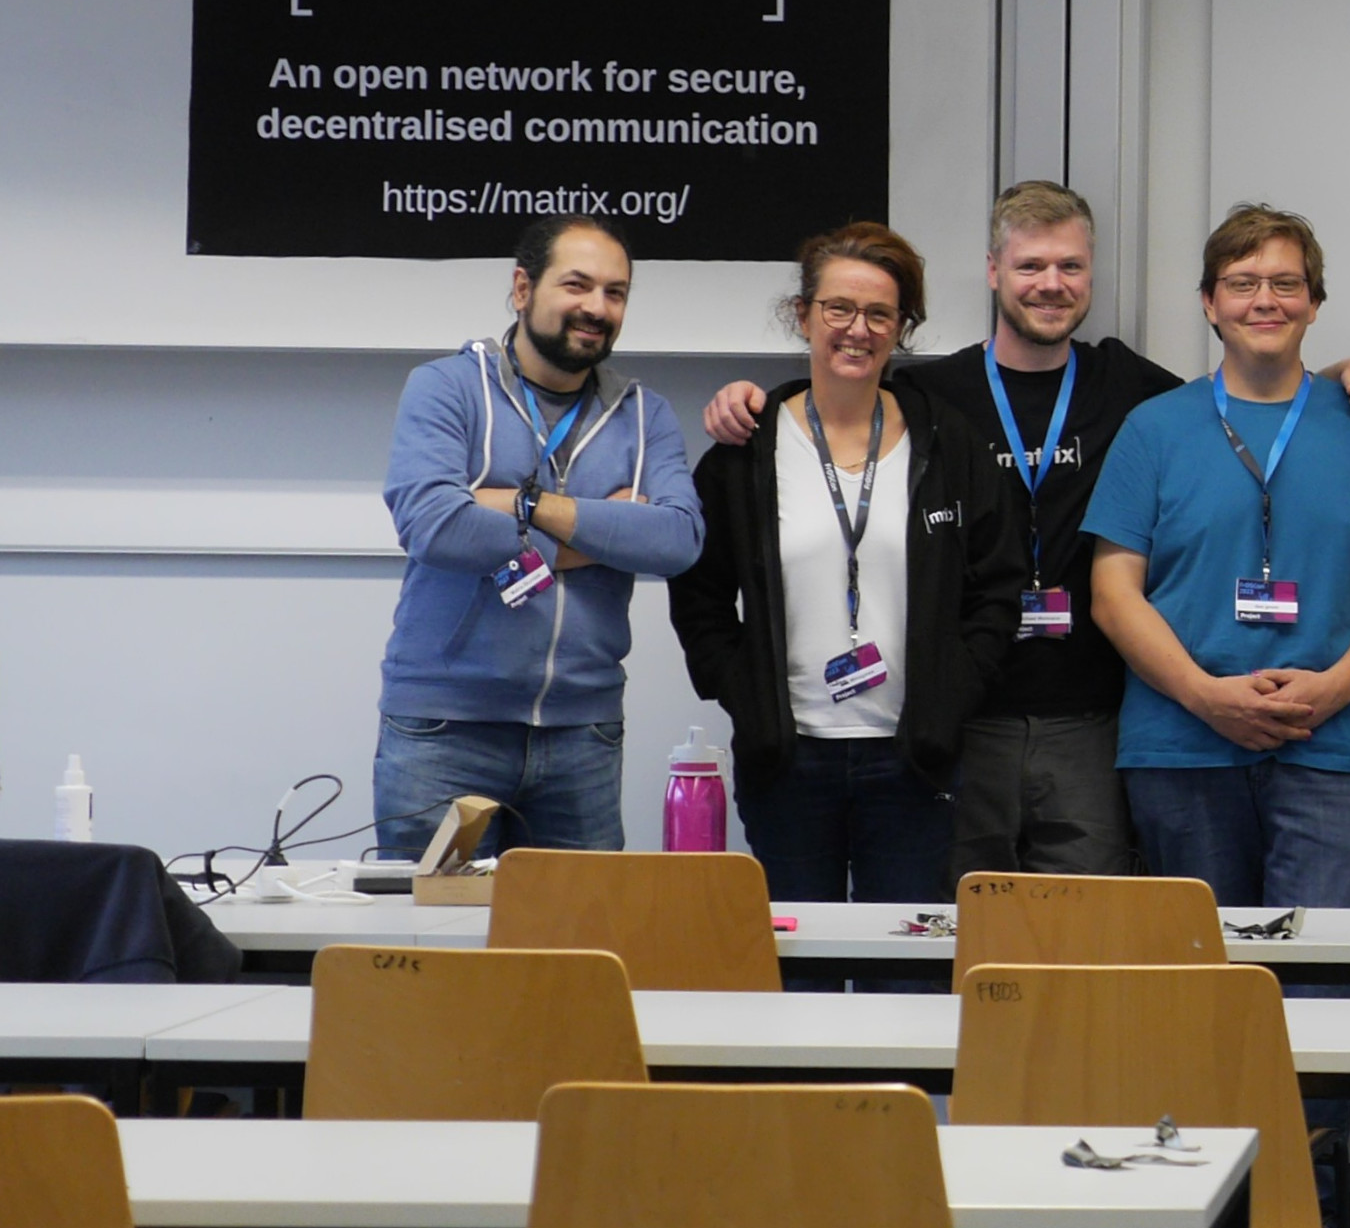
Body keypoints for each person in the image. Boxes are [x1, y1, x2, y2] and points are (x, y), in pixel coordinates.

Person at [704, 182, 1186, 879]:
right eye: (1030, 265)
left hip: (1087, 716)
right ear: (993, 270)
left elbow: (1232, 400)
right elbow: (836, 396)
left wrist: (1333, 376)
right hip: (962, 726)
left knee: (1077, 930)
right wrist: (749, 399)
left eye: (1070, 266)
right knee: (947, 922)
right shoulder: (934, 398)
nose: (1051, 283)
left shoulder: (1133, 387)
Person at [668, 223, 1025, 902]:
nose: (857, 330)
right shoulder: (747, 451)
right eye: (838, 308)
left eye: (879, 314)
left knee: (906, 957)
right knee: (800, 955)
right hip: (788, 758)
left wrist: (958, 685)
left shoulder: (949, 445)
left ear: (901, 328)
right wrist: (736, 685)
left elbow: (998, 587)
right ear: (803, 315)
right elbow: (698, 591)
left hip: (913, 758)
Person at [1083, 203, 1350, 917]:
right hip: (1182, 748)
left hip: (1329, 747)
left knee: (1323, 976)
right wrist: (1205, 696)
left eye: (1286, 283)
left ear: (1314, 303)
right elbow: (1113, 593)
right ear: (1209, 302)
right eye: (1242, 283)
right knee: (1202, 974)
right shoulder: (1153, 428)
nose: (1265, 300)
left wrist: (1334, 689)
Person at [374, 215, 704, 856]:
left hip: (584, 735)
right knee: (433, 921)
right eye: (576, 285)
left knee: (577, 924)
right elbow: (434, 524)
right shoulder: (446, 387)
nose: (597, 308)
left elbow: (678, 540)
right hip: (444, 728)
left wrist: (526, 505)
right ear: (523, 288)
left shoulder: (645, 414)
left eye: (615, 292)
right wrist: (601, 534)